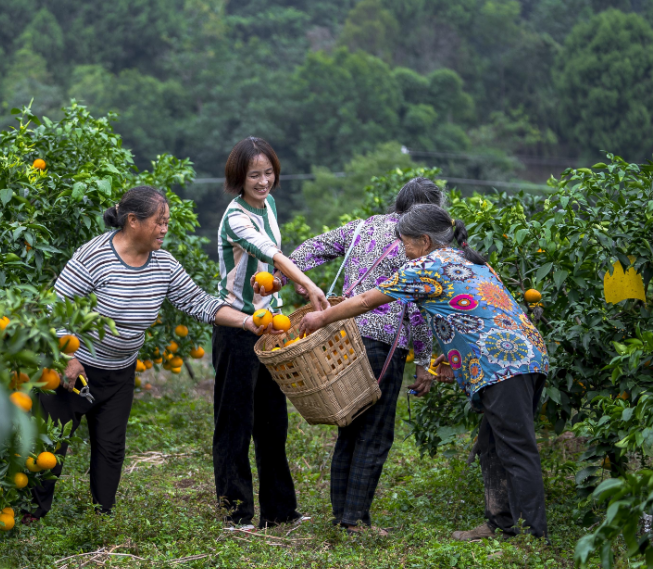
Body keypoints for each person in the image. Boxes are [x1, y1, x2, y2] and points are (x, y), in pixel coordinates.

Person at [298, 203, 550, 540]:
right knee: (493, 445)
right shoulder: (469, 259)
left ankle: (535, 536)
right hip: (522, 355)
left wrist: (320, 317)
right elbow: (475, 309)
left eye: (405, 242)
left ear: (425, 241)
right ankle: (500, 524)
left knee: (517, 450)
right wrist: (448, 358)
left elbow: (364, 302)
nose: (403, 249)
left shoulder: (424, 267)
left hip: (504, 362)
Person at [27, 185, 265, 521]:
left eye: (167, 222)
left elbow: (199, 303)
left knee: (111, 449)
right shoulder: (94, 255)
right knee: (51, 445)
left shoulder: (163, 265)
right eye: (160, 221)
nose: (165, 229)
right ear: (133, 221)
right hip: (74, 370)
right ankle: (30, 517)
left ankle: (101, 520)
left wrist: (247, 321)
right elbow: (54, 307)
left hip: (120, 372)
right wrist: (66, 356)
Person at [264, 177, 439, 535]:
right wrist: (424, 361)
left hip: (343, 336)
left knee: (350, 425)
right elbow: (418, 309)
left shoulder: (365, 227)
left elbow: (316, 246)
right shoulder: (418, 243)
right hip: (383, 343)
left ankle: (343, 515)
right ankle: (354, 520)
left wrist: (286, 275)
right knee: (374, 432)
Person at [213, 136, 328, 529]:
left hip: (272, 331)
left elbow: (272, 264)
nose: (263, 182)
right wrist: (309, 285)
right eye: (254, 176)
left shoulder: (270, 205)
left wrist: (280, 281)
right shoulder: (236, 216)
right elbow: (270, 250)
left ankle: (280, 512)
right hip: (238, 328)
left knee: (272, 423)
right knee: (234, 425)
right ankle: (236, 515)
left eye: (268, 173)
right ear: (238, 178)